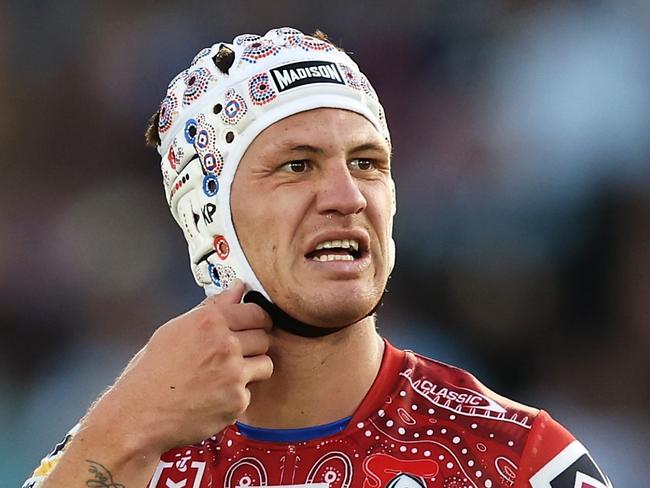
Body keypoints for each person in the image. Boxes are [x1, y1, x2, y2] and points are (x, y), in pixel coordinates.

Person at [23, 27, 612, 488]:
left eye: (367, 163)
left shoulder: (516, 457)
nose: (348, 197)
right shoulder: (126, 448)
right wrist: (125, 427)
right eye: (297, 165)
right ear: (210, 217)